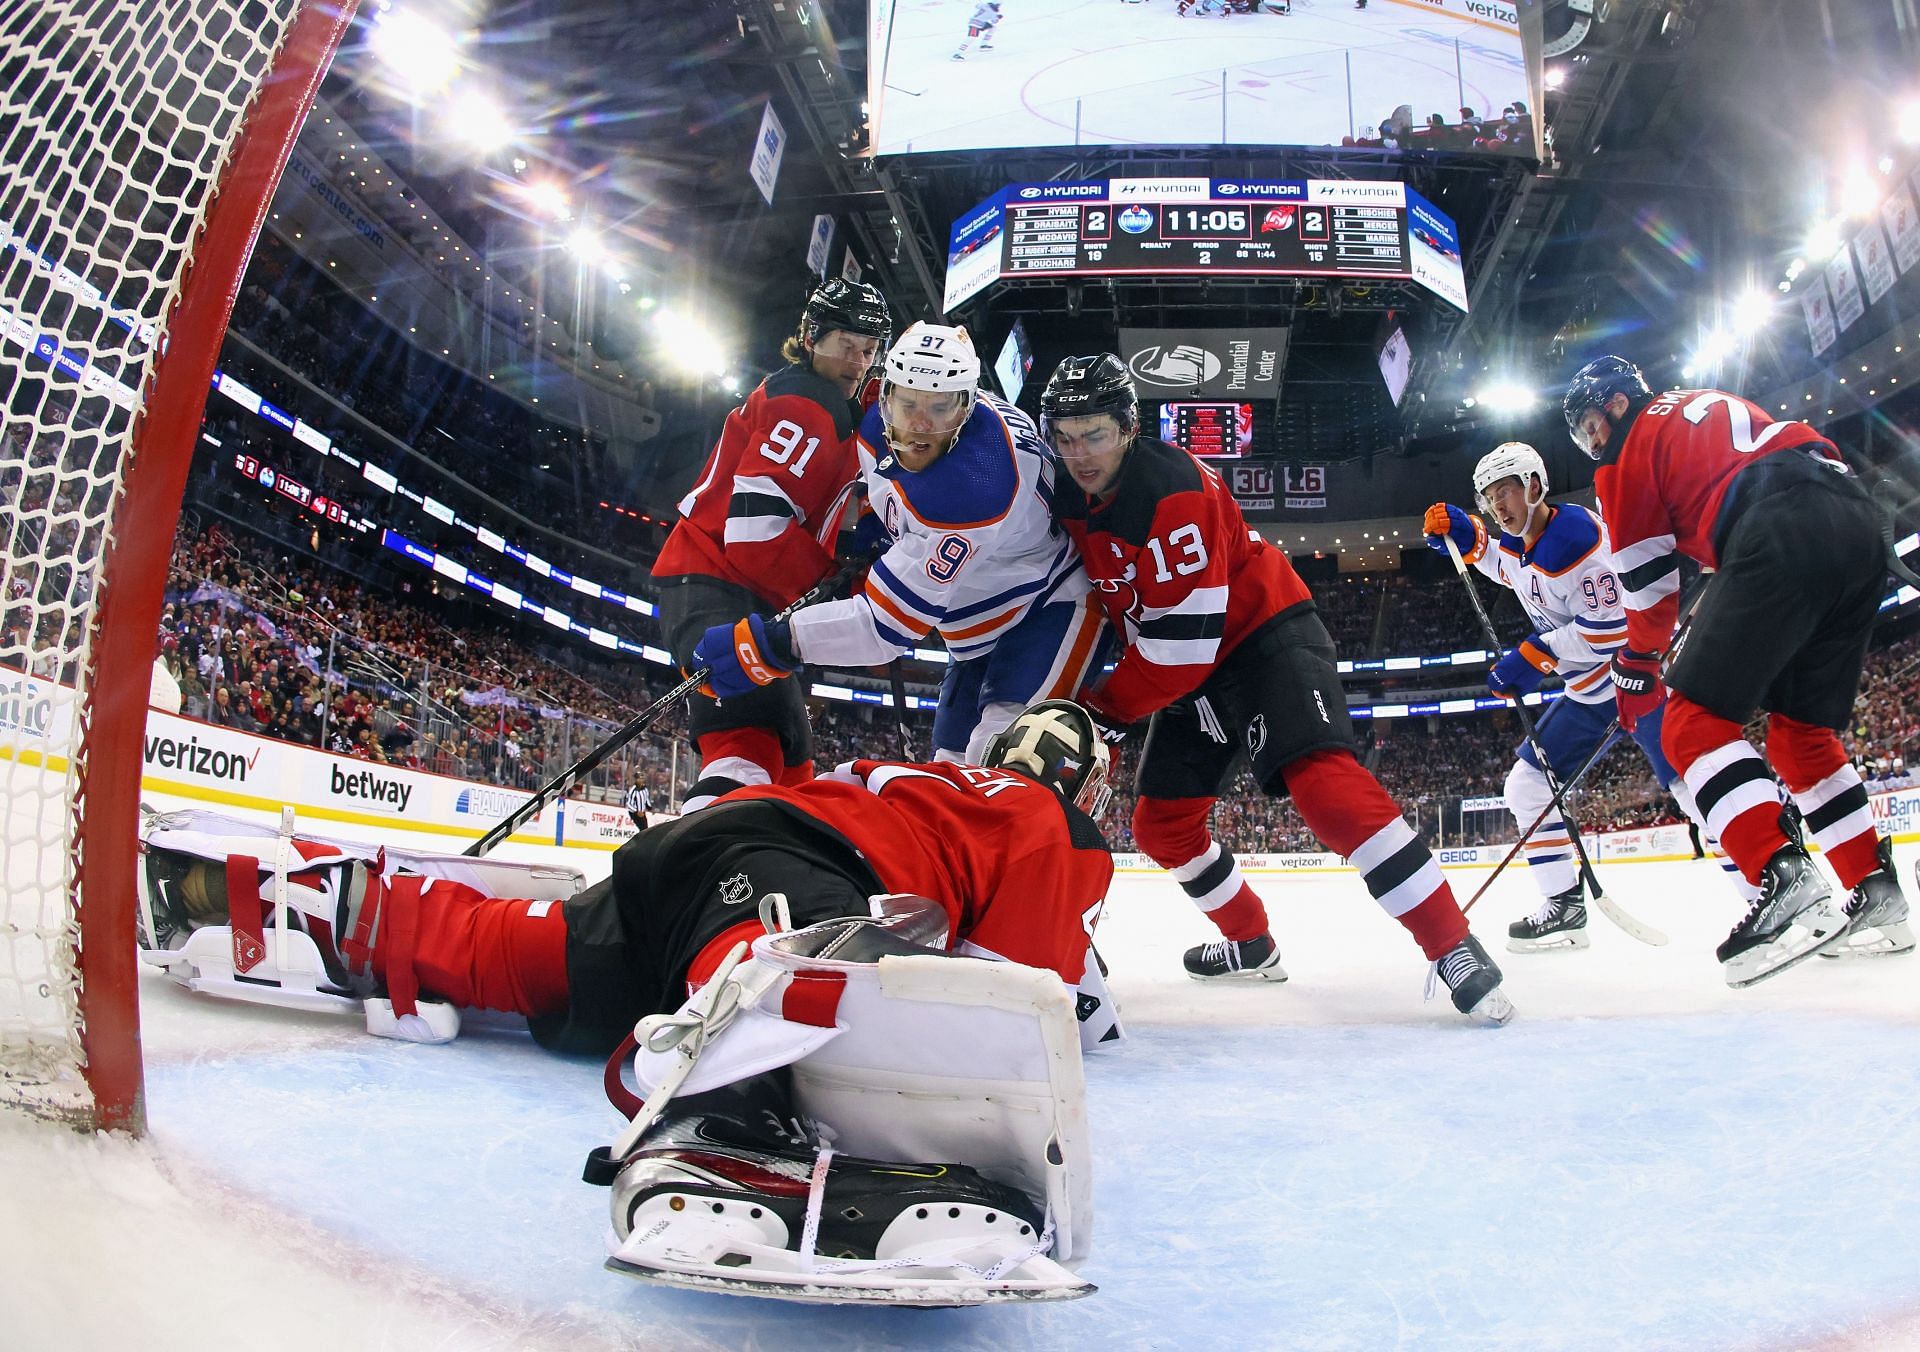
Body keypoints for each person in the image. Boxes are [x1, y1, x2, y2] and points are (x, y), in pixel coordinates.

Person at [137, 700, 1118, 1300]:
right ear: (1082, 785)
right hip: (783, 874)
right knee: (808, 969)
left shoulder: (937, 780)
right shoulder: (1049, 820)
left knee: (511, 954)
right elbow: (1012, 987)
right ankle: (715, 1113)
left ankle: (331, 908)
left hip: (705, 860)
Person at [1039, 353, 1513, 1024]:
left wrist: (1103, 712)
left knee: (1323, 786)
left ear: (1128, 427)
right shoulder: (1065, 490)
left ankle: (1452, 944)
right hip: (1183, 663)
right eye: (1064, 436)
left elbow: (1183, 649)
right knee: (1162, 827)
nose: (1078, 453)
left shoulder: (1170, 491)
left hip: (1259, 638)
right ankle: (1252, 944)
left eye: (1094, 433)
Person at [1563, 355, 1912, 983]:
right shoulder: (1699, 403)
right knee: (1801, 738)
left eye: (1590, 424)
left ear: (1617, 403)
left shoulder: (1626, 450)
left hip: (1778, 524)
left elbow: (1648, 590)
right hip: (1854, 519)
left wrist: (1636, 662)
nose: (1591, 443)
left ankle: (1784, 878)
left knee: (1690, 724)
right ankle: (1878, 894)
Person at [693, 323, 1105, 764]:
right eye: (908, 403)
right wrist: (877, 526)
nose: (919, 424)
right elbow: (882, 484)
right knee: (947, 770)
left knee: (999, 768)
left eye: (940, 407)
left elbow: (884, 629)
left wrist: (772, 645)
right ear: (886, 391)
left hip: (1046, 610)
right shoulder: (876, 421)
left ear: (966, 407)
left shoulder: (974, 486)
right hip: (972, 628)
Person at [1421, 440, 1754, 953]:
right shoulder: (1522, 538)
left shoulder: (1577, 540)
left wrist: (1534, 656)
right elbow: (1505, 567)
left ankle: (1765, 891)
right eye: (1489, 499)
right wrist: (1466, 536)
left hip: (1637, 680)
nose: (1499, 507)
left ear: (1534, 485)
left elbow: (1612, 628)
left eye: (1505, 492)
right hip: (1586, 691)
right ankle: (1564, 906)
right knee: (1526, 787)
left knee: (1694, 789)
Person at [650, 278, 891, 812]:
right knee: (749, 741)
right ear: (810, 337)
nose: (858, 360)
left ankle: (759, 870)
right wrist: (831, 583)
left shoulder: (834, 409)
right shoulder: (807, 406)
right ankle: (694, 865)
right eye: (844, 344)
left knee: (790, 757)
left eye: (869, 349)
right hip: (714, 583)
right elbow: (754, 538)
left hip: (731, 588)